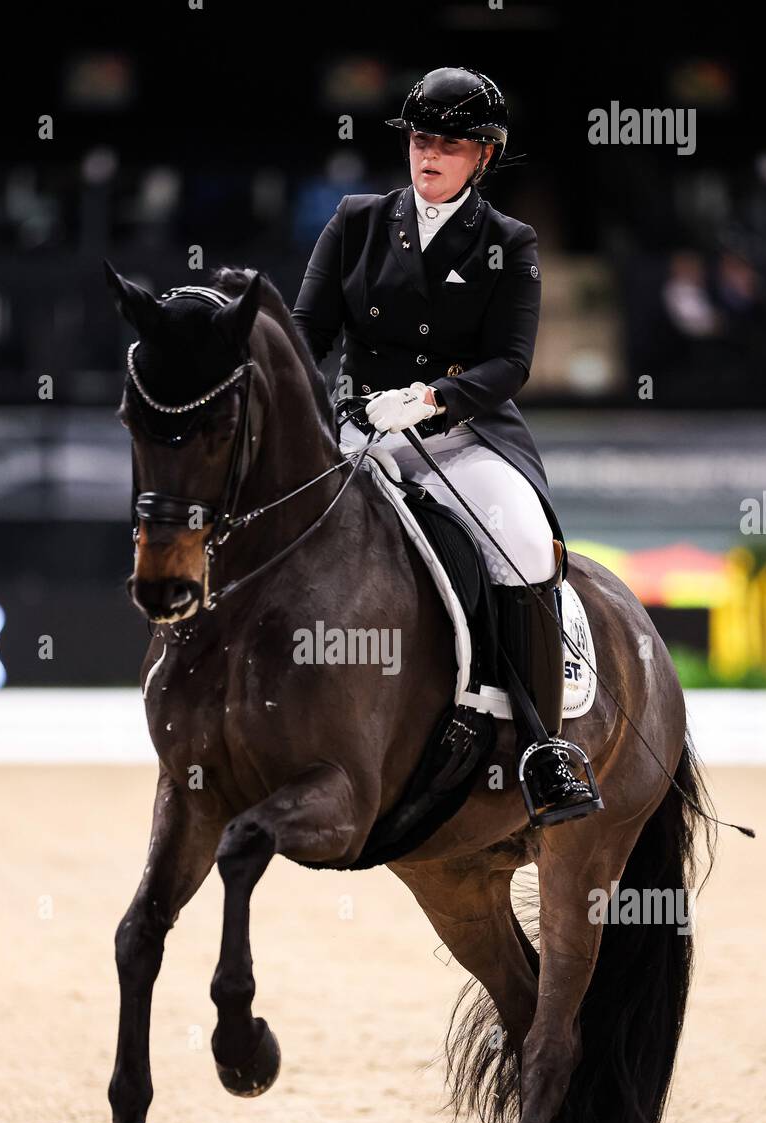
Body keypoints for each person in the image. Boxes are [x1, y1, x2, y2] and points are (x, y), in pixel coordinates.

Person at [292, 66, 600, 826]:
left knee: (525, 543)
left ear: (483, 156)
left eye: (450, 144)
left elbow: (512, 362)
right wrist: (322, 406)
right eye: (422, 139)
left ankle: (542, 747)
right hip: (360, 434)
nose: (429, 155)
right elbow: (307, 333)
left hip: (462, 438)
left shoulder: (509, 242)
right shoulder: (356, 222)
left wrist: (432, 399)